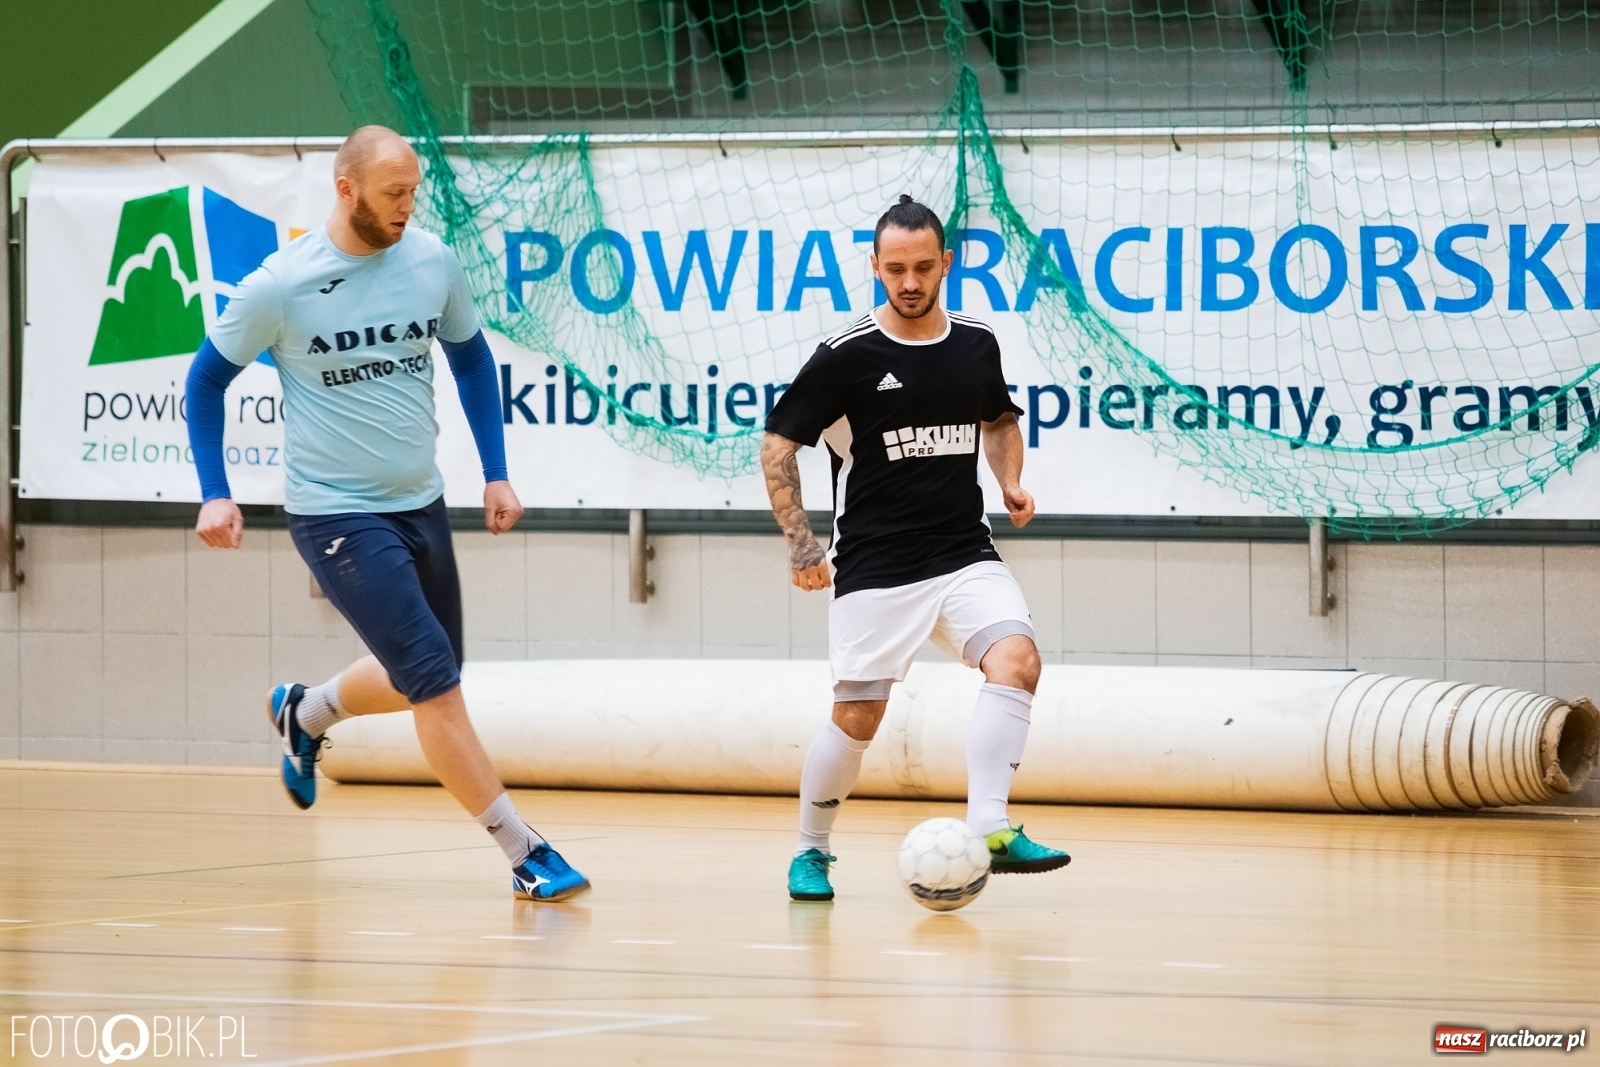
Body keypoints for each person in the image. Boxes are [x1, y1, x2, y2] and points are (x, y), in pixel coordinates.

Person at [184, 125, 589, 902]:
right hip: (336, 514)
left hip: (419, 501)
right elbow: (205, 383)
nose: (408, 206)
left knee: (427, 675)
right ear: (347, 190)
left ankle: (305, 712)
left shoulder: (432, 261)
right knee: (435, 684)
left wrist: (496, 474)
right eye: (394, 193)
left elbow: (472, 359)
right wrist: (215, 489)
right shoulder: (280, 285)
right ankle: (525, 851)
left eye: (413, 192)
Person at [762, 195, 1072, 902]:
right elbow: (778, 447)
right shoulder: (845, 356)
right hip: (876, 563)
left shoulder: (975, 343)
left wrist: (1010, 480)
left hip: (963, 551)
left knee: (1018, 661)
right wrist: (803, 545)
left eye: (923, 267)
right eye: (895, 268)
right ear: (875, 266)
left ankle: (991, 827)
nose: (909, 281)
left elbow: (998, 420)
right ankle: (811, 850)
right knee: (857, 718)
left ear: (946, 264)